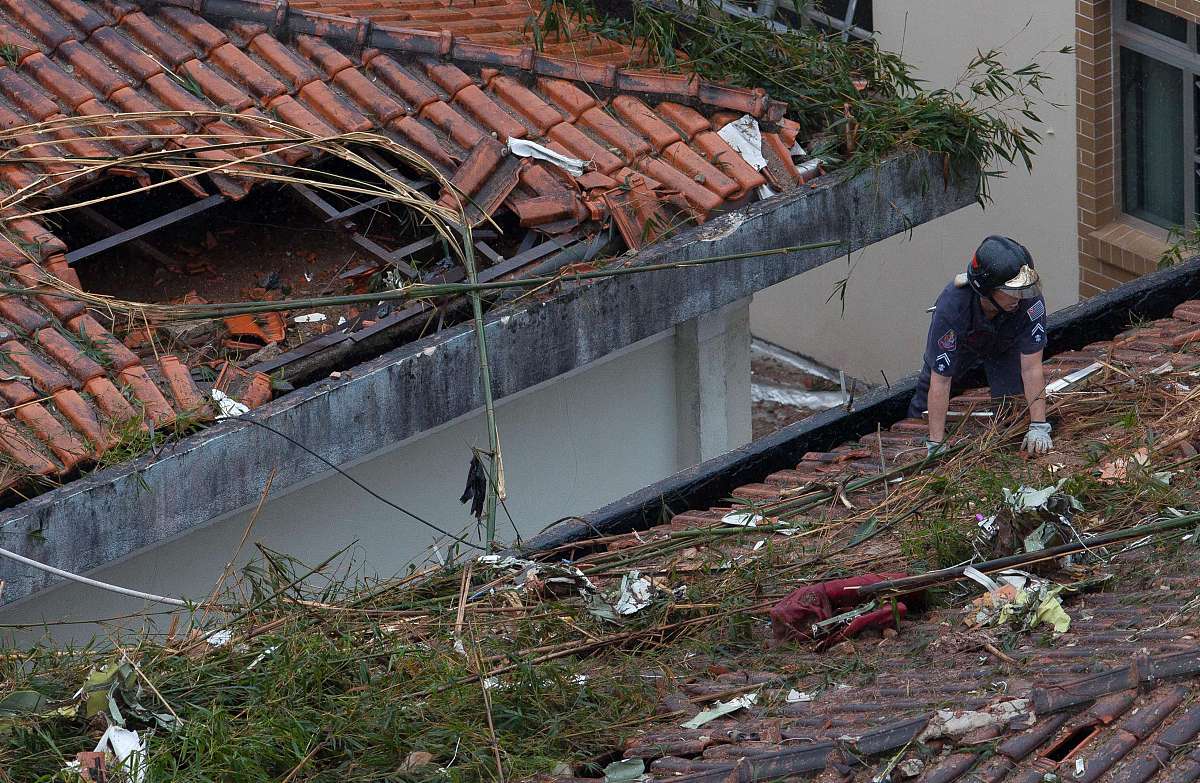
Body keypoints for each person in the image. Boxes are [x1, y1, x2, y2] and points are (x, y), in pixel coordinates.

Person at [910, 235, 1052, 457]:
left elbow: (1032, 367)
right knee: (923, 410)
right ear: (987, 289)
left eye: (1023, 290)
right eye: (1012, 291)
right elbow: (941, 380)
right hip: (962, 348)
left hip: (1006, 346)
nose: (1020, 297)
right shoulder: (952, 308)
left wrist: (1039, 426)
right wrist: (936, 444)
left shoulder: (1029, 303)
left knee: (1010, 409)